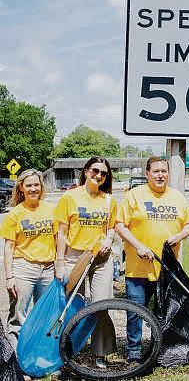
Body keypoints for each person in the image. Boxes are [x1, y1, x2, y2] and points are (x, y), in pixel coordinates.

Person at [115, 156, 189, 363]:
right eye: (156, 171)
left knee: (163, 312)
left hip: (166, 269)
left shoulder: (177, 197)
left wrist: (179, 236)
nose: (160, 175)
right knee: (136, 311)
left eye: (164, 171)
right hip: (138, 267)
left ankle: (158, 348)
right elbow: (119, 225)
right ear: (147, 174)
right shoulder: (134, 195)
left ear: (168, 174)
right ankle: (133, 352)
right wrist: (138, 246)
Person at [54, 156, 117, 368]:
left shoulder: (109, 200)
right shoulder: (69, 197)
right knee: (73, 306)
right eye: (95, 171)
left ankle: (100, 353)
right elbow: (62, 233)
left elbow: (111, 227)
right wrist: (59, 262)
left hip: (101, 257)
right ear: (86, 171)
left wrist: (109, 239)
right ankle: (68, 350)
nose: (98, 175)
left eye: (103, 173)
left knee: (101, 304)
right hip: (74, 256)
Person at [0, 169, 56, 349]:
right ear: (21, 188)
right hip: (24, 268)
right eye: (29, 185)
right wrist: (9, 277)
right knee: (18, 315)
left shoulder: (51, 210)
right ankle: (16, 357)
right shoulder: (15, 214)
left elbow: (58, 239)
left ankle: (38, 353)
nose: (33, 189)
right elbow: (8, 247)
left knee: (45, 314)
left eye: (36, 185)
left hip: (48, 269)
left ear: (41, 187)